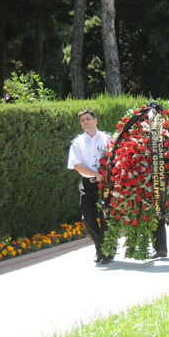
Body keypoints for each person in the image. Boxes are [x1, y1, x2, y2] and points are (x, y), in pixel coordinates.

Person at [67, 109, 113, 265]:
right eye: (82, 121)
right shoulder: (78, 142)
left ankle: (107, 251)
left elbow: (115, 159)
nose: (85, 122)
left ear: (95, 120)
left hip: (105, 184)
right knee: (87, 219)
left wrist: (104, 176)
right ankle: (100, 248)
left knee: (106, 218)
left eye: (87, 119)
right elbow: (76, 164)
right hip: (87, 185)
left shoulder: (107, 138)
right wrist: (95, 174)